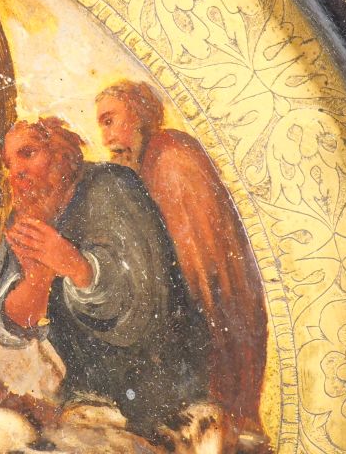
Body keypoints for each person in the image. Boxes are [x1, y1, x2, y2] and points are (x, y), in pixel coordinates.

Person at [0, 117, 209, 437]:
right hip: (82, 396)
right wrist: (38, 278)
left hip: (159, 387)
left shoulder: (111, 185)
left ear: (61, 152)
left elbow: (144, 307)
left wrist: (76, 265)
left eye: (28, 153)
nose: (16, 172)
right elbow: (10, 326)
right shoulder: (25, 214)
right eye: (9, 164)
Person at [96, 80, 269, 437]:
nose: (107, 138)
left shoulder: (171, 158)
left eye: (111, 120)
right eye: (103, 125)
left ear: (140, 115)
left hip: (213, 329)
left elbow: (196, 268)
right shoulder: (149, 163)